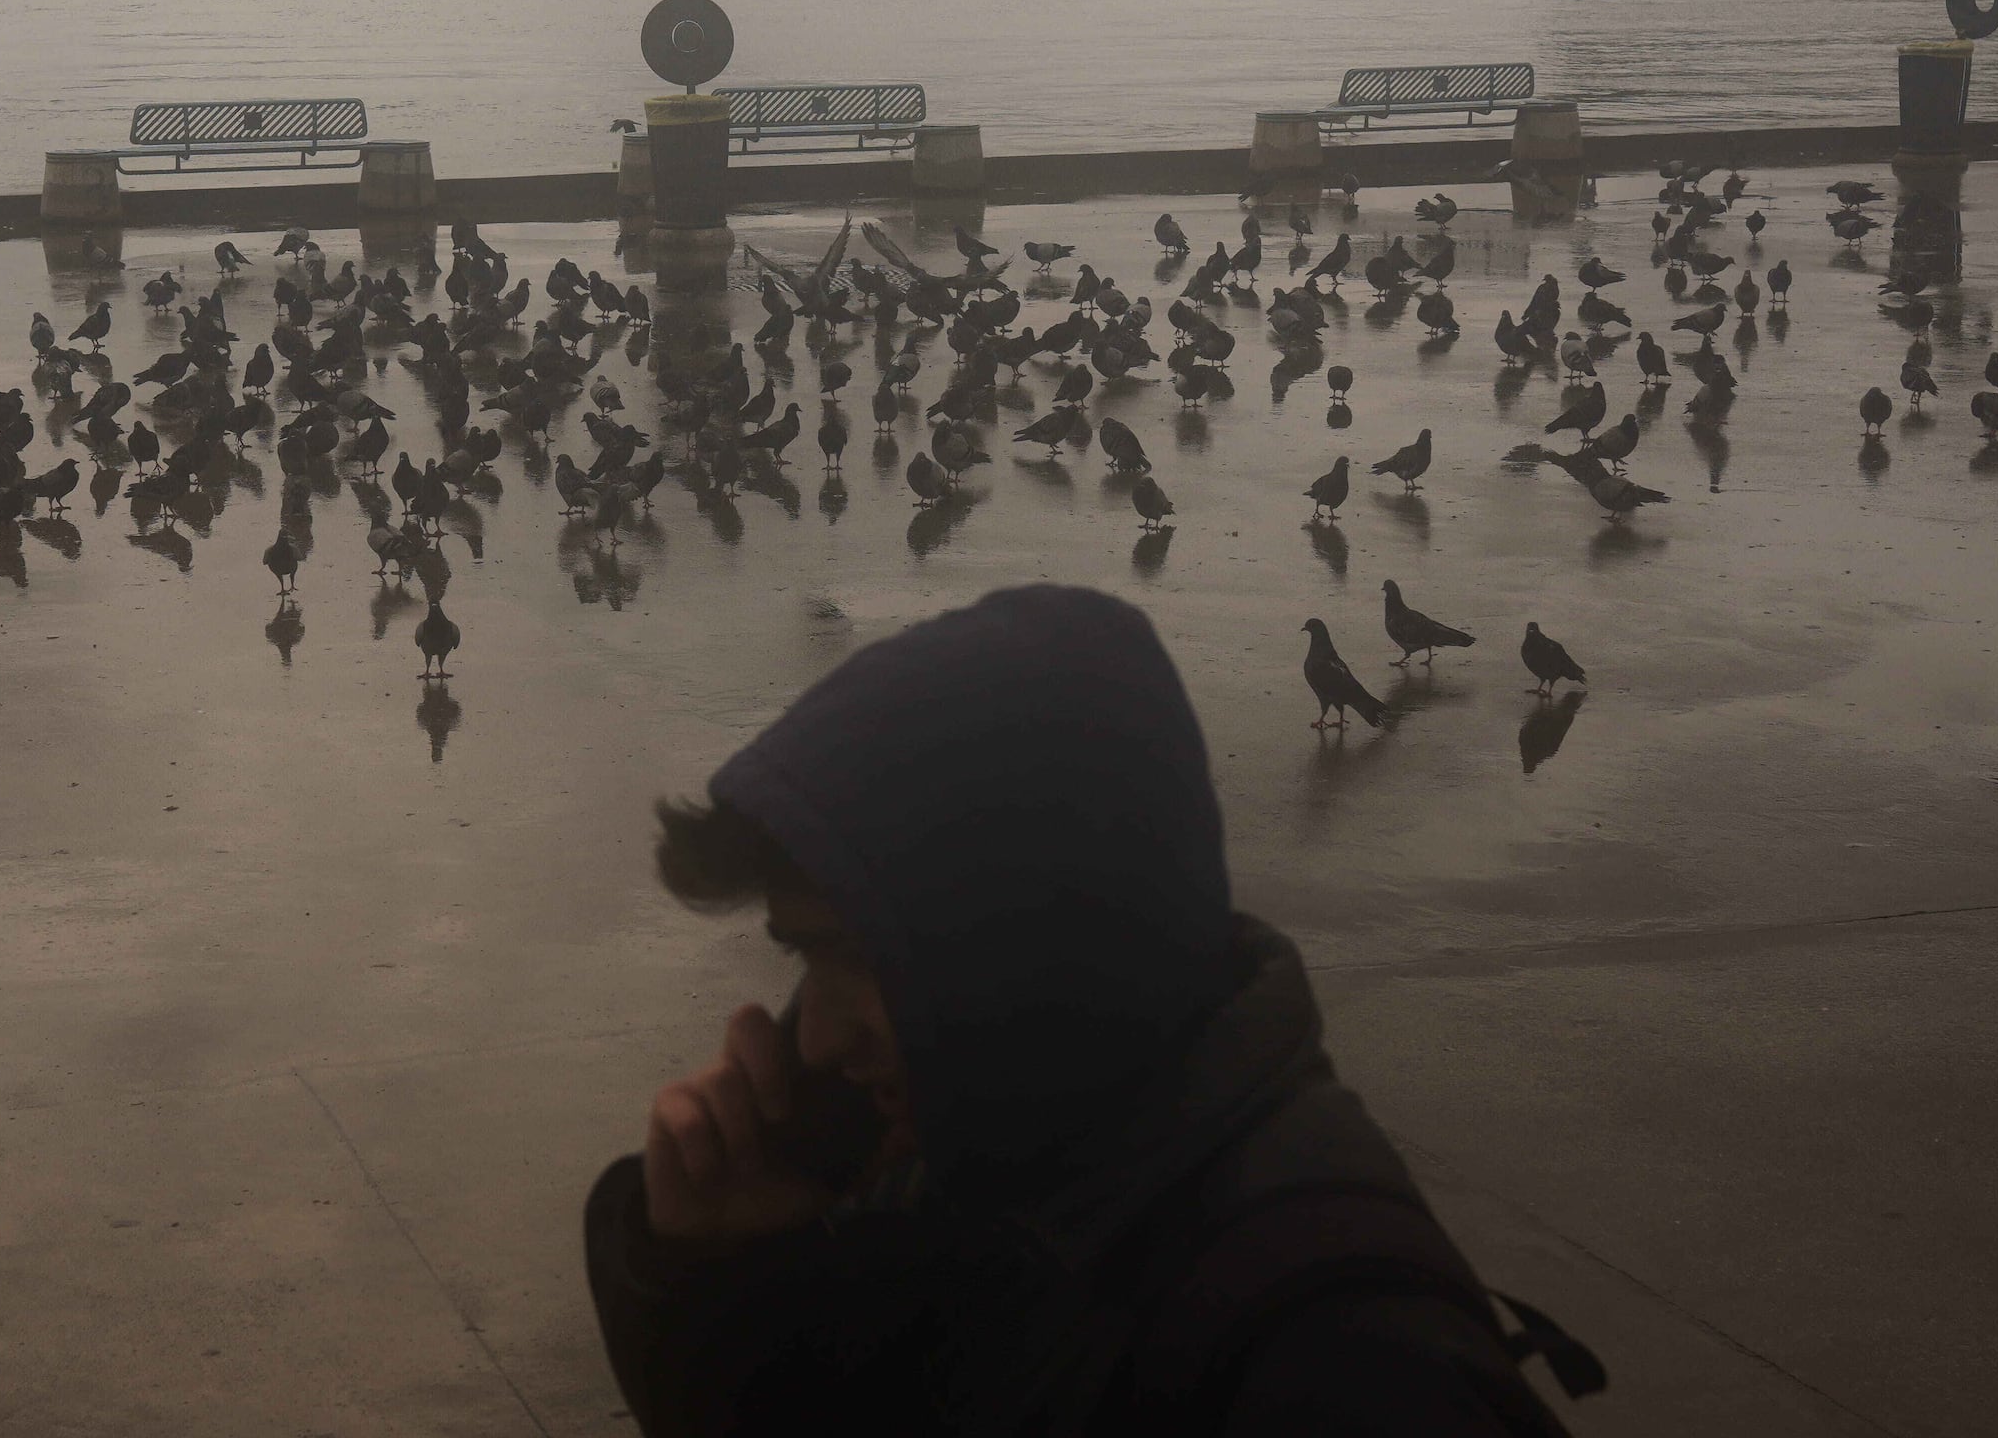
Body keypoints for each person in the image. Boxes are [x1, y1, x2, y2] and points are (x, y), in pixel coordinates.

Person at [587, 586, 1600, 1435]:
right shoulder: (987, 1186)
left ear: (1030, 942)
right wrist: (734, 1287)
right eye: (804, 959)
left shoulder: (1348, 1383)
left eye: (854, 961)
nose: (812, 1036)